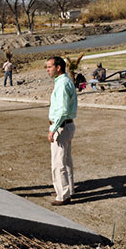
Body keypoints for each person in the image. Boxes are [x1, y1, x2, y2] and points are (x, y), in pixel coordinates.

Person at [46, 57, 77, 206]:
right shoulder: (63, 81)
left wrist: (53, 129)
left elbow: (62, 110)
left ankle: (63, 195)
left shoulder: (63, 84)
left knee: (58, 163)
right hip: (67, 125)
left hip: (62, 126)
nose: (47, 69)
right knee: (66, 161)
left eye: (49, 67)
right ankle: (67, 189)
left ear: (58, 67)